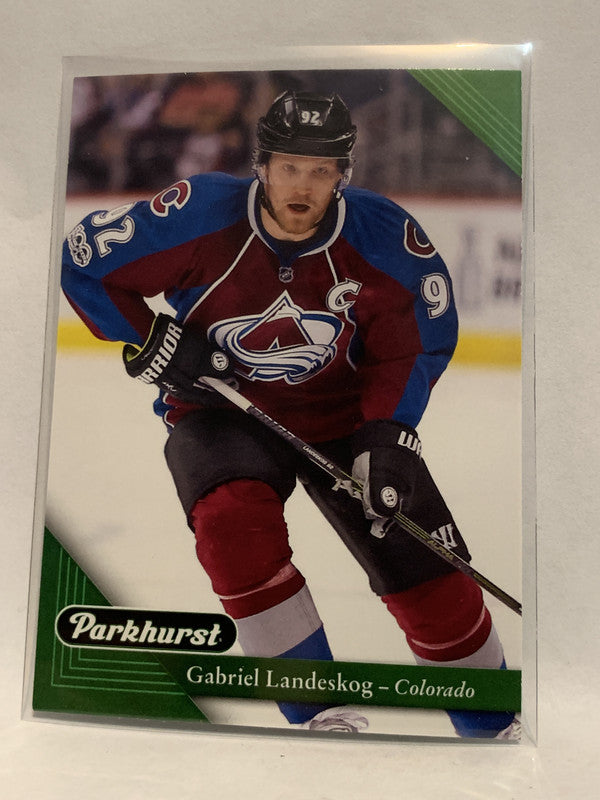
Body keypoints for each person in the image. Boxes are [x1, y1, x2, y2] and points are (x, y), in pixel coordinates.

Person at [62, 89, 518, 738]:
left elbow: (414, 341)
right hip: (221, 406)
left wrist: (389, 434)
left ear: (343, 175)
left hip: (348, 418)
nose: (302, 186)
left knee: (423, 562)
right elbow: (85, 262)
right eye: (289, 168)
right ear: (261, 166)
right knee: (231, 526)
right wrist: (150, 336)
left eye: (320, 171)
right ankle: (316, 710)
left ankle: (492, 722)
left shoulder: (383, 235)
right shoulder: (200, 213)